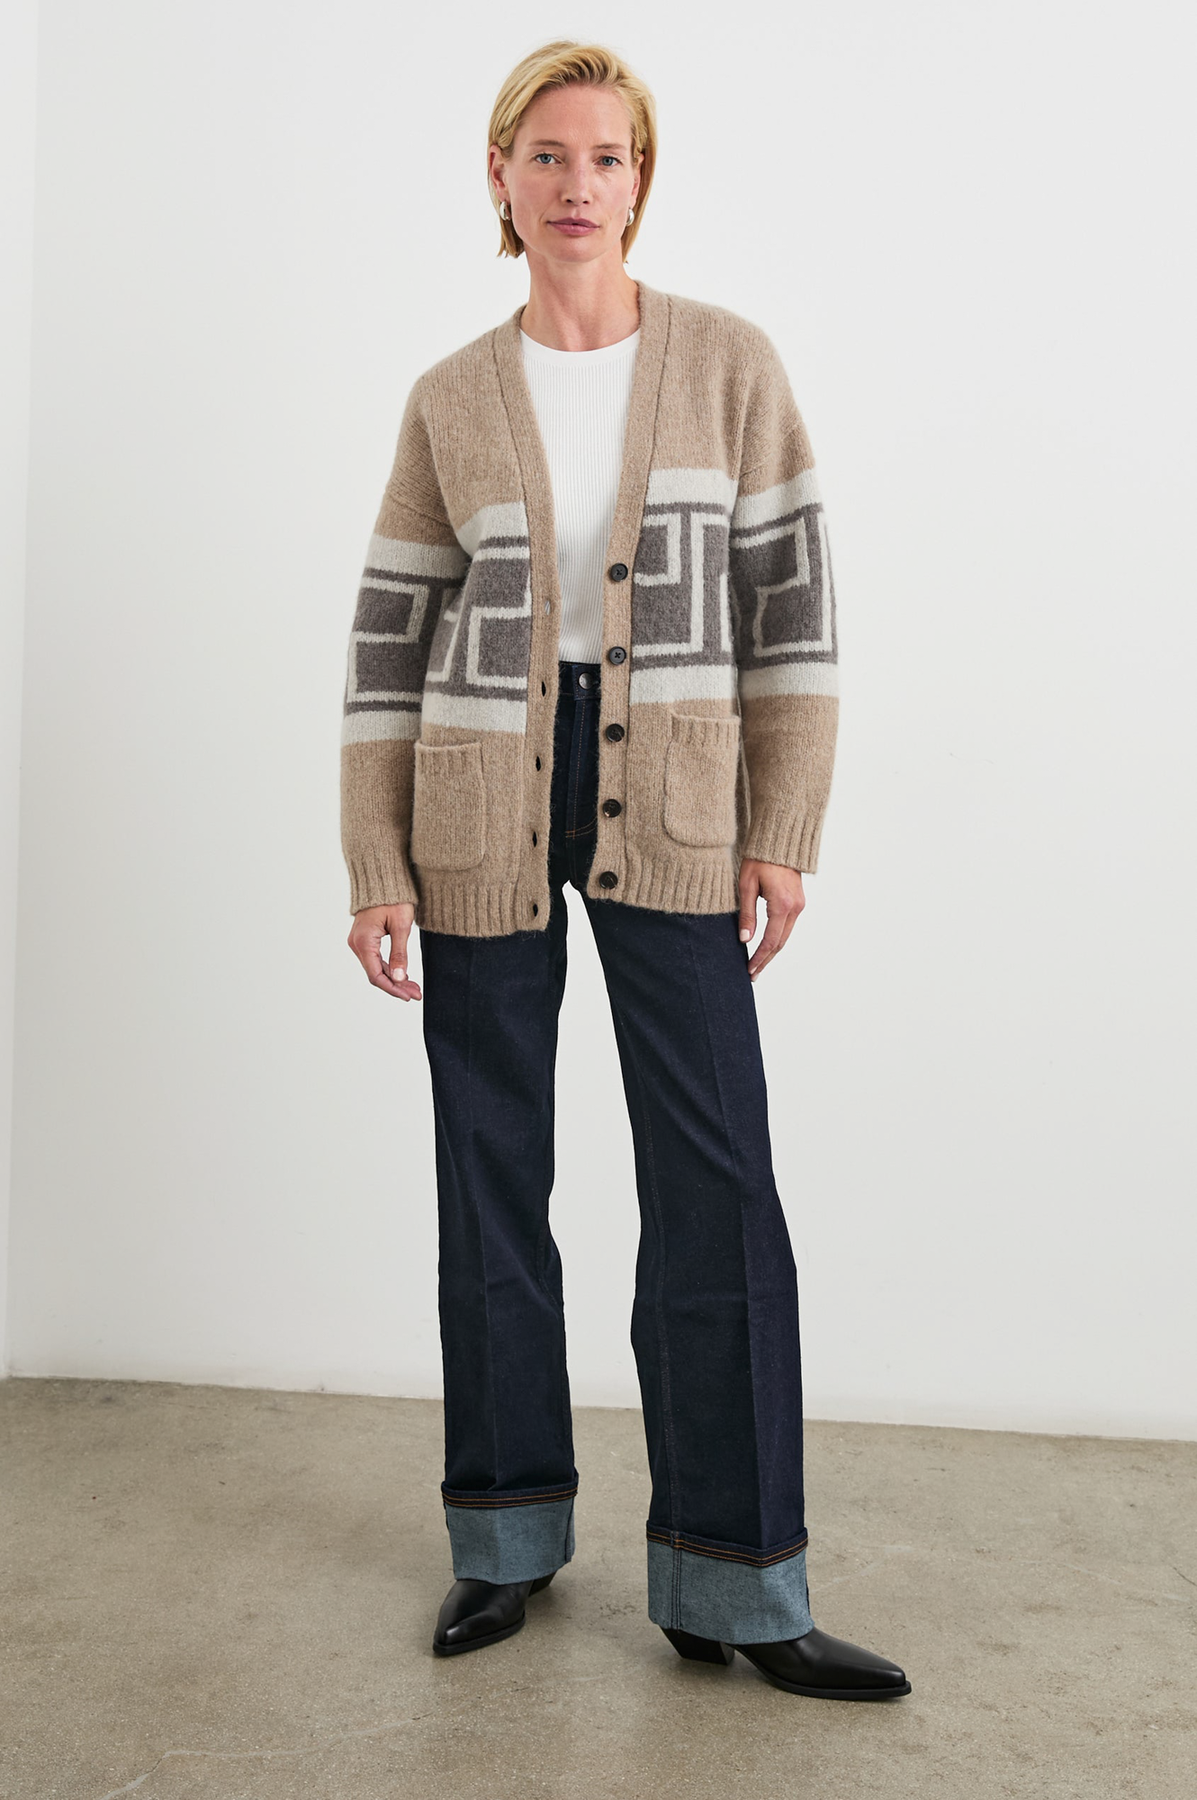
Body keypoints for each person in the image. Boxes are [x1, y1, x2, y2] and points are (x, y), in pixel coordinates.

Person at [341, 39, 910, 1702]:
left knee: (717, 1183)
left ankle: (739, 1583)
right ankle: (504, 1538)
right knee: (489, 1175)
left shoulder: (728, 364)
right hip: (480, 798)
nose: (577, 184)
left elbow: (792, 609)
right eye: (546, 154)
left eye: (606, 156)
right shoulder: (451, 396)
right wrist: (375, 856)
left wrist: (781, 825)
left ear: (641, 181)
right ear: (500, 180)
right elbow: (390, 634)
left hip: (676, 791)